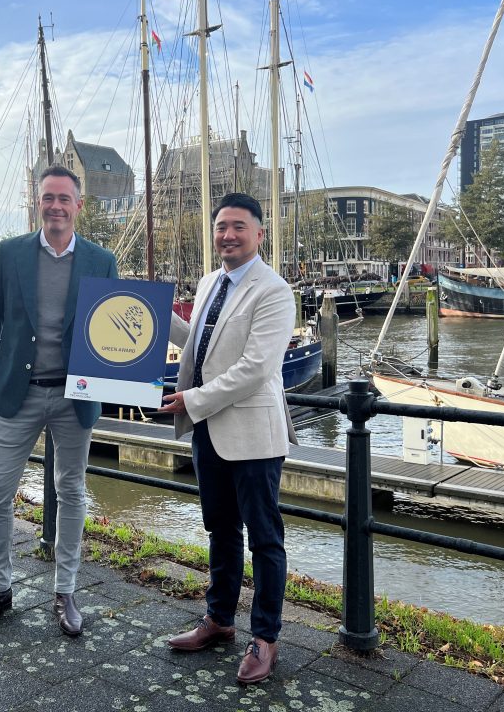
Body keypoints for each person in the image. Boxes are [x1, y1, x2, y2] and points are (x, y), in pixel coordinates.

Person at [0, 164, 117, 638]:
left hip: (75, 397)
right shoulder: (10, 254)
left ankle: (65, 590)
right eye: (48, 197)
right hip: (18, 392)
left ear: (79, 205)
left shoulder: (101, 260)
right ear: (38, 203)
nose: (55, 206)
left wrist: (123, 383)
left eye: (64, 198)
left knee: (71, 491)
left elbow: (113, 328)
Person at [158, 192, 296, 684]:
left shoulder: (274, 291)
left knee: (265, 538)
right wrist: (150, 312)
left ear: (259, 233)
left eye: (239, 226)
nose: (228, 235)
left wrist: (193, 400)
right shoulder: (208, 282)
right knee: (220, 529)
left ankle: (266, 638)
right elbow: (198, 345)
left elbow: (256, 368)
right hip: (209, 431)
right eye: (221, 227)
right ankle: (219, 619)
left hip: (253, 434)